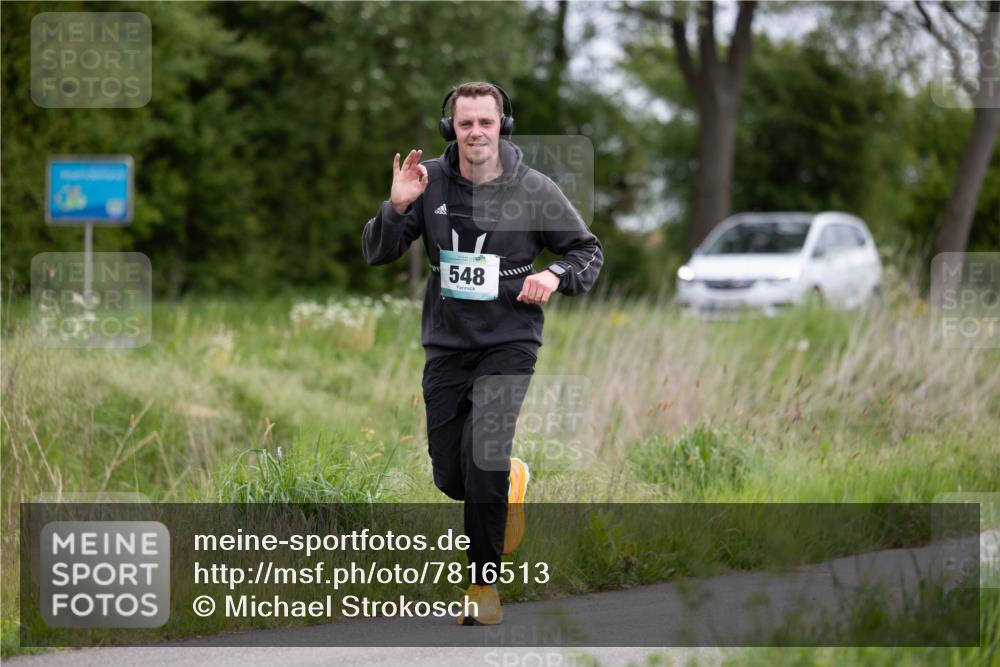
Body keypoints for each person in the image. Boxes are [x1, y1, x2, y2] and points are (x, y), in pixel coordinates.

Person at [362, 81, 603, 625]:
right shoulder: (429, 183)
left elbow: (587, 250)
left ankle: (483, 590)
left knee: (484, 455)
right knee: (452, 476)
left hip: (509, 342)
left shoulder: (535, 189)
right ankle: (510, 482)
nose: (475, 133)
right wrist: (397, 207)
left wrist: (554, 273)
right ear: (452, 128)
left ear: (503, 126)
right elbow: (378, 250)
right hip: (447, 347)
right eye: (465, 123)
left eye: (485, 123)